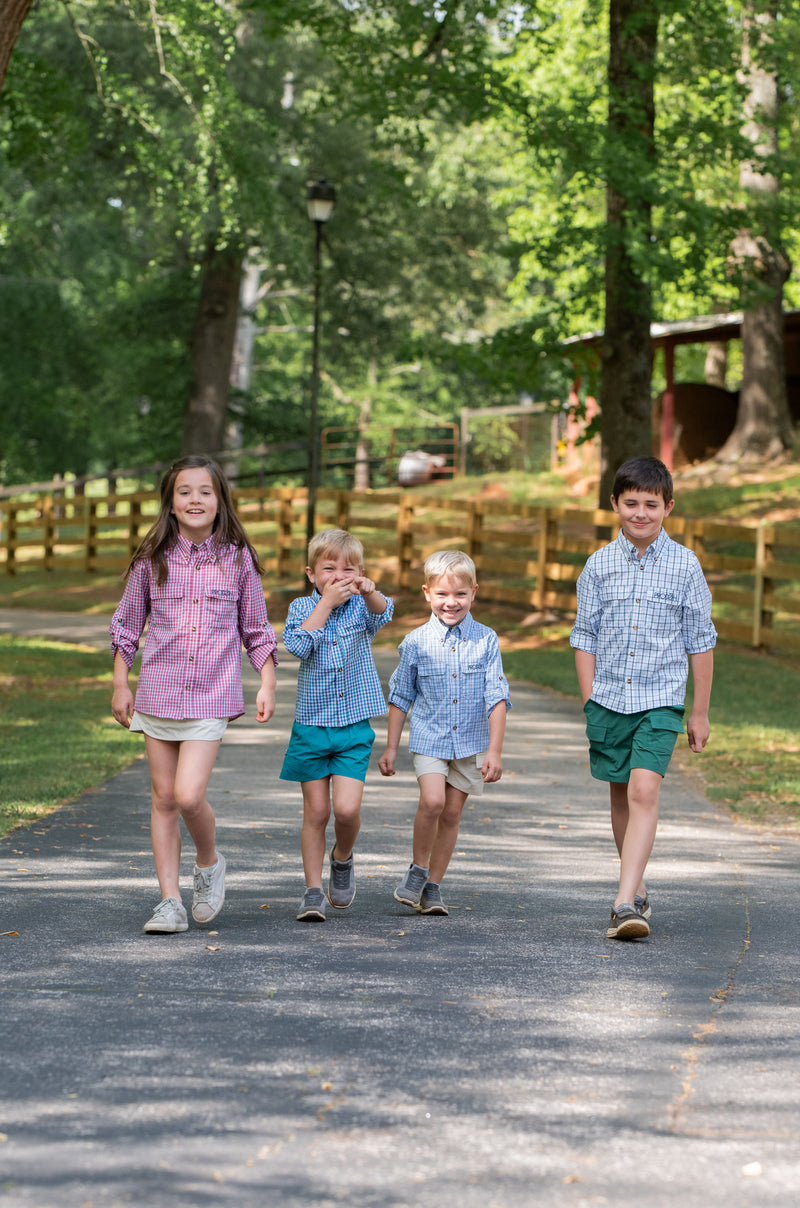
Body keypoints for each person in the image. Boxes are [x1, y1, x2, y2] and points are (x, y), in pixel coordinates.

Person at [110, 455, 277, 935]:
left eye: (205, 491)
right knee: (163, 797)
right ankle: (169, 901)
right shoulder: (151, 560)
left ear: (220, 500)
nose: (195, 500)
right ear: (171, 502)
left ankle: (209, 863)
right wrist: (121, 682)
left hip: (211, 695)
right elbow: (127, 626)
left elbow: (256, 630)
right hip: (158, 692)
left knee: (187, 794)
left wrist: (266, 682)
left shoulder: (238, 559)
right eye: (185, 492)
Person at [570, 456, 716, 941]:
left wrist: (698, 711)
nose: (640, 513)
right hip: (609, 699)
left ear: (668, 507)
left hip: (661, 701)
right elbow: (584, 636)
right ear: (614, 504)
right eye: (630, 503)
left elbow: (701, 639)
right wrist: (590, 699)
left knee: (643, 791)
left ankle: (624, 903)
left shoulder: (685, 565)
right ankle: (636, 882)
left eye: (651, 504)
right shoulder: (598, 565)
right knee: (620, 794)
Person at [378, 550, 510, 916]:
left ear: (474, 592)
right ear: (427, 593)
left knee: (451, 814)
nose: (451, 603)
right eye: (442, 595)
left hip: (469, 742)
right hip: (429, 739)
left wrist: (495, 751)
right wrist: (390, 748)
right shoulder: (415, 642)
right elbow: (401, 697)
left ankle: (433, 887)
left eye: (460, 595)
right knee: (433, 802)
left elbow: (497, 697)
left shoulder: (486, 640)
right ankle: (419, 869)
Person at [280, 528, 393, 922]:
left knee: (346, 811)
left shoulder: (363, 607)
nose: (338, 575)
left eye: (348, 568)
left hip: (352, 728)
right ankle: (313, 891)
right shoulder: (302, 608)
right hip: (312, 727)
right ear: (311, 574)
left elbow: (385, 610)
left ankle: (342, 857)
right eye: (329, 568)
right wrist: (325, 605)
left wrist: (369, 590)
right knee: (316, 814)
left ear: (359, 572)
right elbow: (296, 645)